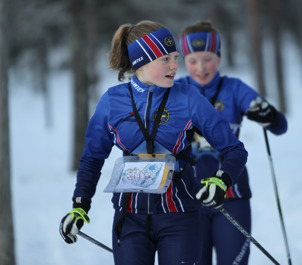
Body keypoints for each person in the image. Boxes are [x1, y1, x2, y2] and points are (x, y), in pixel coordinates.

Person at [59, 20, 248, 265]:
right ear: (142, 62)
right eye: (165, 59)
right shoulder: (112, 101)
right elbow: (92, 158)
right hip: (129, 218)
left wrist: (221, 181)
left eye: (175, 57)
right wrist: (80, 205)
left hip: (180, 214)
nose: (174, 66)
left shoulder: (188, 97)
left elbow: (234, 150)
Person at [176, 20, 288, 265]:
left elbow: (280, 126)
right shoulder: (176, 90)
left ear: (219, 57)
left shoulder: (234, 89)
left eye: (208, 59)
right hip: (187, 200)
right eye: (193, 60)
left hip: (232, 196)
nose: (201, 67)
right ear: (184, 61)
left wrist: (268, 115)